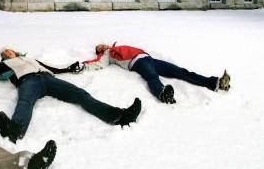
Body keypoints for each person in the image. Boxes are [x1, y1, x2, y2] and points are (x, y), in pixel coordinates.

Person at [0, 47, 142, 144]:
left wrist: (70, 67)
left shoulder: (33, 60)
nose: (7, 53)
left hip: (48, 78)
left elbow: (53, 68)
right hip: (29, 82)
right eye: (4, 53)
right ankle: (15, 129)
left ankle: (117, 115)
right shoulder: (3, 66)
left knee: (80, 94)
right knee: (25, 100)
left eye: (9, 51)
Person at [83, 42, 231, 104]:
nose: (103, 46)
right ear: (100, 51)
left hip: (150, 59)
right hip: (138, 63)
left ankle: (215, 83)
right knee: (152, 77)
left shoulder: (118, 46)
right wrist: (82, 65)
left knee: (181, 72)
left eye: (103, 45)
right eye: (100, 48)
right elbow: (97, 63)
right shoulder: (108, 54)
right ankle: (161, 93)